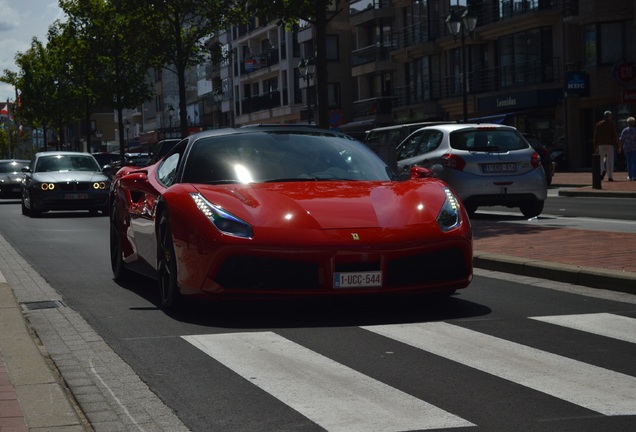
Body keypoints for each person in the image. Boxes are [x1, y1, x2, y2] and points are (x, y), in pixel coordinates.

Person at [593, 110, 621, 181]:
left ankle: (602, 169)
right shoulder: (611, 124)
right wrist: (618, 145)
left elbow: (596, 136)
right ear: (609, 116)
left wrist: (595, 145)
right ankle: (610, 176)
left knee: (601, 159)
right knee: (610, 160)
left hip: (601, 144)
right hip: (610, 144)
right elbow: (615, 135)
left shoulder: (599, 124)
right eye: (611, 116)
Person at [620, 116, 636, 181]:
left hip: (626, 148)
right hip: (634, 147)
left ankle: (630, 175)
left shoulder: (624, 130)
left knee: (628, 162)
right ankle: (634, 175)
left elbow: (621, 139)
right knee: (634, 162)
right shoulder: (635, 130)